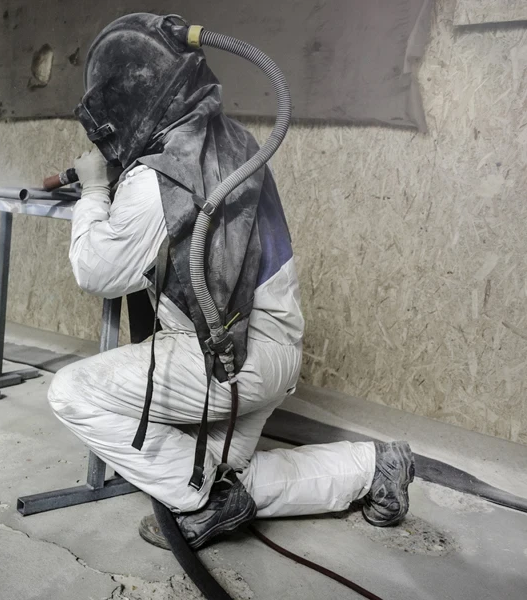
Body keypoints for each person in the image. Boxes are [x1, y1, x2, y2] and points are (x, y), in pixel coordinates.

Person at [47, 13, 415, 549]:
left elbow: (96, 272)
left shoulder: (158, 176)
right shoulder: (230, 140)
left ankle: (208, 501)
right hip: (274, 351)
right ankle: (375, 467)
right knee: (222, 473)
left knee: (73, 393)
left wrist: (96, 191)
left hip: (225, 361)